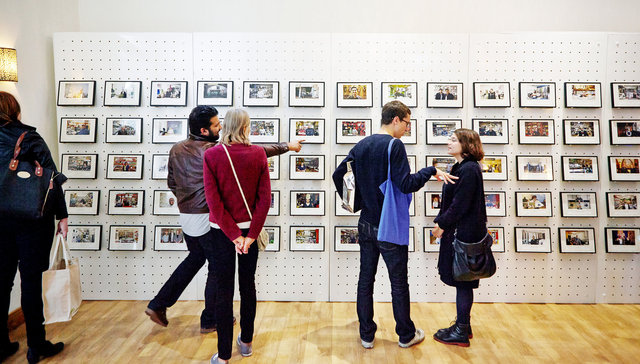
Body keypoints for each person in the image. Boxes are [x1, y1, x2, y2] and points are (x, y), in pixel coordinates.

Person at [145, 106, 302, 333]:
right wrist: (286, 146)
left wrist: (185, 200)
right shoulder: (212, 151)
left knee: (196, 258)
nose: (220, 127)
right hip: (207, 217)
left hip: (186, 216)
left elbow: (171, 182)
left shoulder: (176, 148)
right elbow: (255, 151)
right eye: (216, 125)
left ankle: (160, 303)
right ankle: (211, 319)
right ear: (204, 130)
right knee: (217, 270)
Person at [333, 101, 457, 350]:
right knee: (398, 282)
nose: (407, 129)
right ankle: (405, 335)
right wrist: (430, 170)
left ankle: (366, 335)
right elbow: (405, 184)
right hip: (388, 225)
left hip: (366, 222)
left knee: (365, 279)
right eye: (407, 123)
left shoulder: (363, 144)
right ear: (396, 120)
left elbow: (339, 174)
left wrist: (357, 202)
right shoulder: (394, 145)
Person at [0, 91, 66, 363]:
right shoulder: (28, 137)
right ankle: (36, 345)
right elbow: (52, 179)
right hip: (32, 219)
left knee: (1, 282)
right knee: (31, 281)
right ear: (14, 110)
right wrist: (61, 215)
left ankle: (1, 345)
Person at [203, 108, 271, 364]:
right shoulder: (258, 154)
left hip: (222, 233)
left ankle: (223, 355)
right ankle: (246, 342)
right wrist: (250, 236)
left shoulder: (212, 155)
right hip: (248, 233)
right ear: (245, 127)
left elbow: (214, 202)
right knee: (248, 286)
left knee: (223, 291)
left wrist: (233, 235)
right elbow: (265, 200)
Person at [431, 128, 488, 347]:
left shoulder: (469, 169)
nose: (449, 142)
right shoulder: (462, 167)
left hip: (463, 235)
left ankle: (461, 332)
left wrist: (441, 225)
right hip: (461, 233)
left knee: (463, 282)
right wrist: (442, 221)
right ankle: (463, 325)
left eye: (454, 140)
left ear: (466, 144)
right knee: (462, 281)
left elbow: (460, 205)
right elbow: (453, 202)